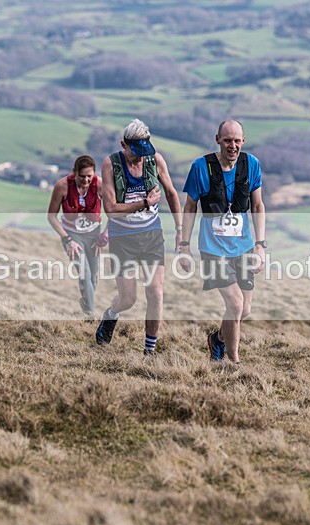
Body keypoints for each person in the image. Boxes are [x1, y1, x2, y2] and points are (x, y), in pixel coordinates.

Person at [178, 119, 266, 365]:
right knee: (236, 304)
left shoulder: (251, 165)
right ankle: (233, 362)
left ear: (243, 141)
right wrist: (184, 246)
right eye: (227, 140)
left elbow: (258, 205)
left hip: (244, 247)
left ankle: (218, 339)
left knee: (244, 310)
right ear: (217, 140)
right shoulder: (201, 167)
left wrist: (260, 245)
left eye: (237, 141)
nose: (233, 146)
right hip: (213, 250)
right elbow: (190, 206)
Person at [96, 119, 183, 355]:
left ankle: (149, 351)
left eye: (142, 152)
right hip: (122, 237)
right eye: (134, 153)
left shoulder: (155, 160)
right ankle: (111, 315)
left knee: (156, 292)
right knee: (128, 299)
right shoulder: (110, 164)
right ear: (123, 144)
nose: (138, 158)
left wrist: (180, 230)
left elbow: (171, 193)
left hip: (151, 235)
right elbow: (111, 209)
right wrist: (144, 203)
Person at [47, 155, 109, 318]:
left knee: (94, 277)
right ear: (74, 172)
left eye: (90, 176)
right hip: (72, 234)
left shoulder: (100, 185)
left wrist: (105, 234)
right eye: (82, 176)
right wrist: (67, 240)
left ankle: (86, 303)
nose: (87, 180)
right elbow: (51, 217)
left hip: (93, 234)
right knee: (84, 273)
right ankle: (90, 315)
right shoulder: (62, 186)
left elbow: (114, 212)